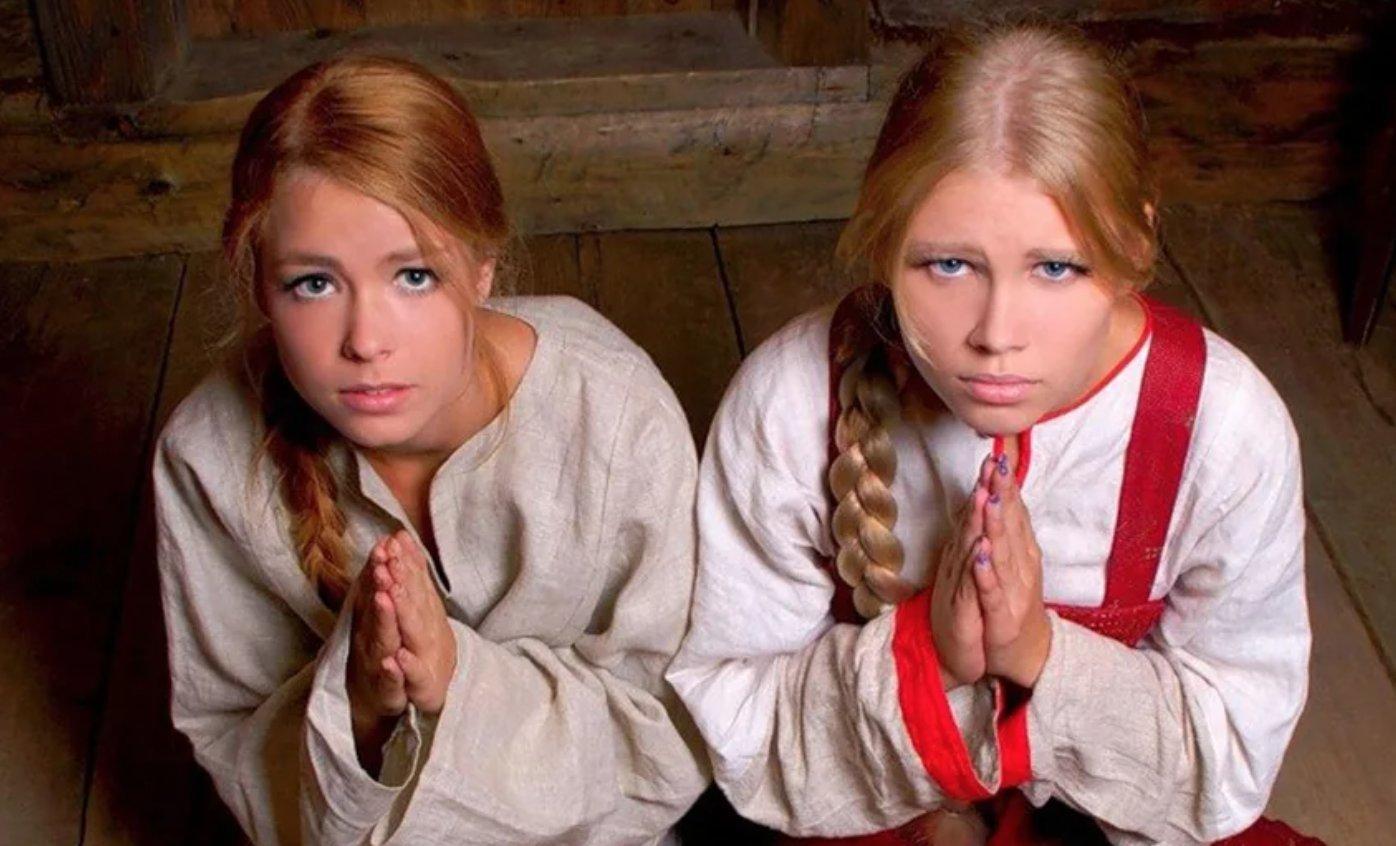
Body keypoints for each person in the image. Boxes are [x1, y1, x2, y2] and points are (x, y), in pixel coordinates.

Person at [668, 24, 1319, 845]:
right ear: (883, 242)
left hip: (1103, 813)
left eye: (1056, 268)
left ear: (1134, 245)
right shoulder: (792, 399)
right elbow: (736, 715)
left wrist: (1039, 654)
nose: (997, 335)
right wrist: (929, 657)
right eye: (949, 265)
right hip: (864, 793)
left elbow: (1231, 752)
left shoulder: (1222, 427)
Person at [153, 54, 708, 845]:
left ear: (482, 268)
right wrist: (361, 708)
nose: (365, 341)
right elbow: (234, 741)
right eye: (313, 284)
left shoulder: (614, 415)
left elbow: (667, 734)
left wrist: (459, 681)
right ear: (258, 285)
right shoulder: (207, 459)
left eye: (413, 276)